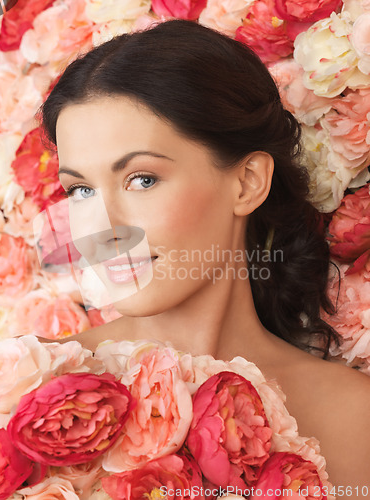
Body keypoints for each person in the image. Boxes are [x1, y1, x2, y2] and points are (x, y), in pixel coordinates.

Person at [39, 19, 370, 491]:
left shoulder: (353, 418)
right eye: (81, 190)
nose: (103, 230)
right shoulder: (27, 391)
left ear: (247, 182)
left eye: (142, 179)